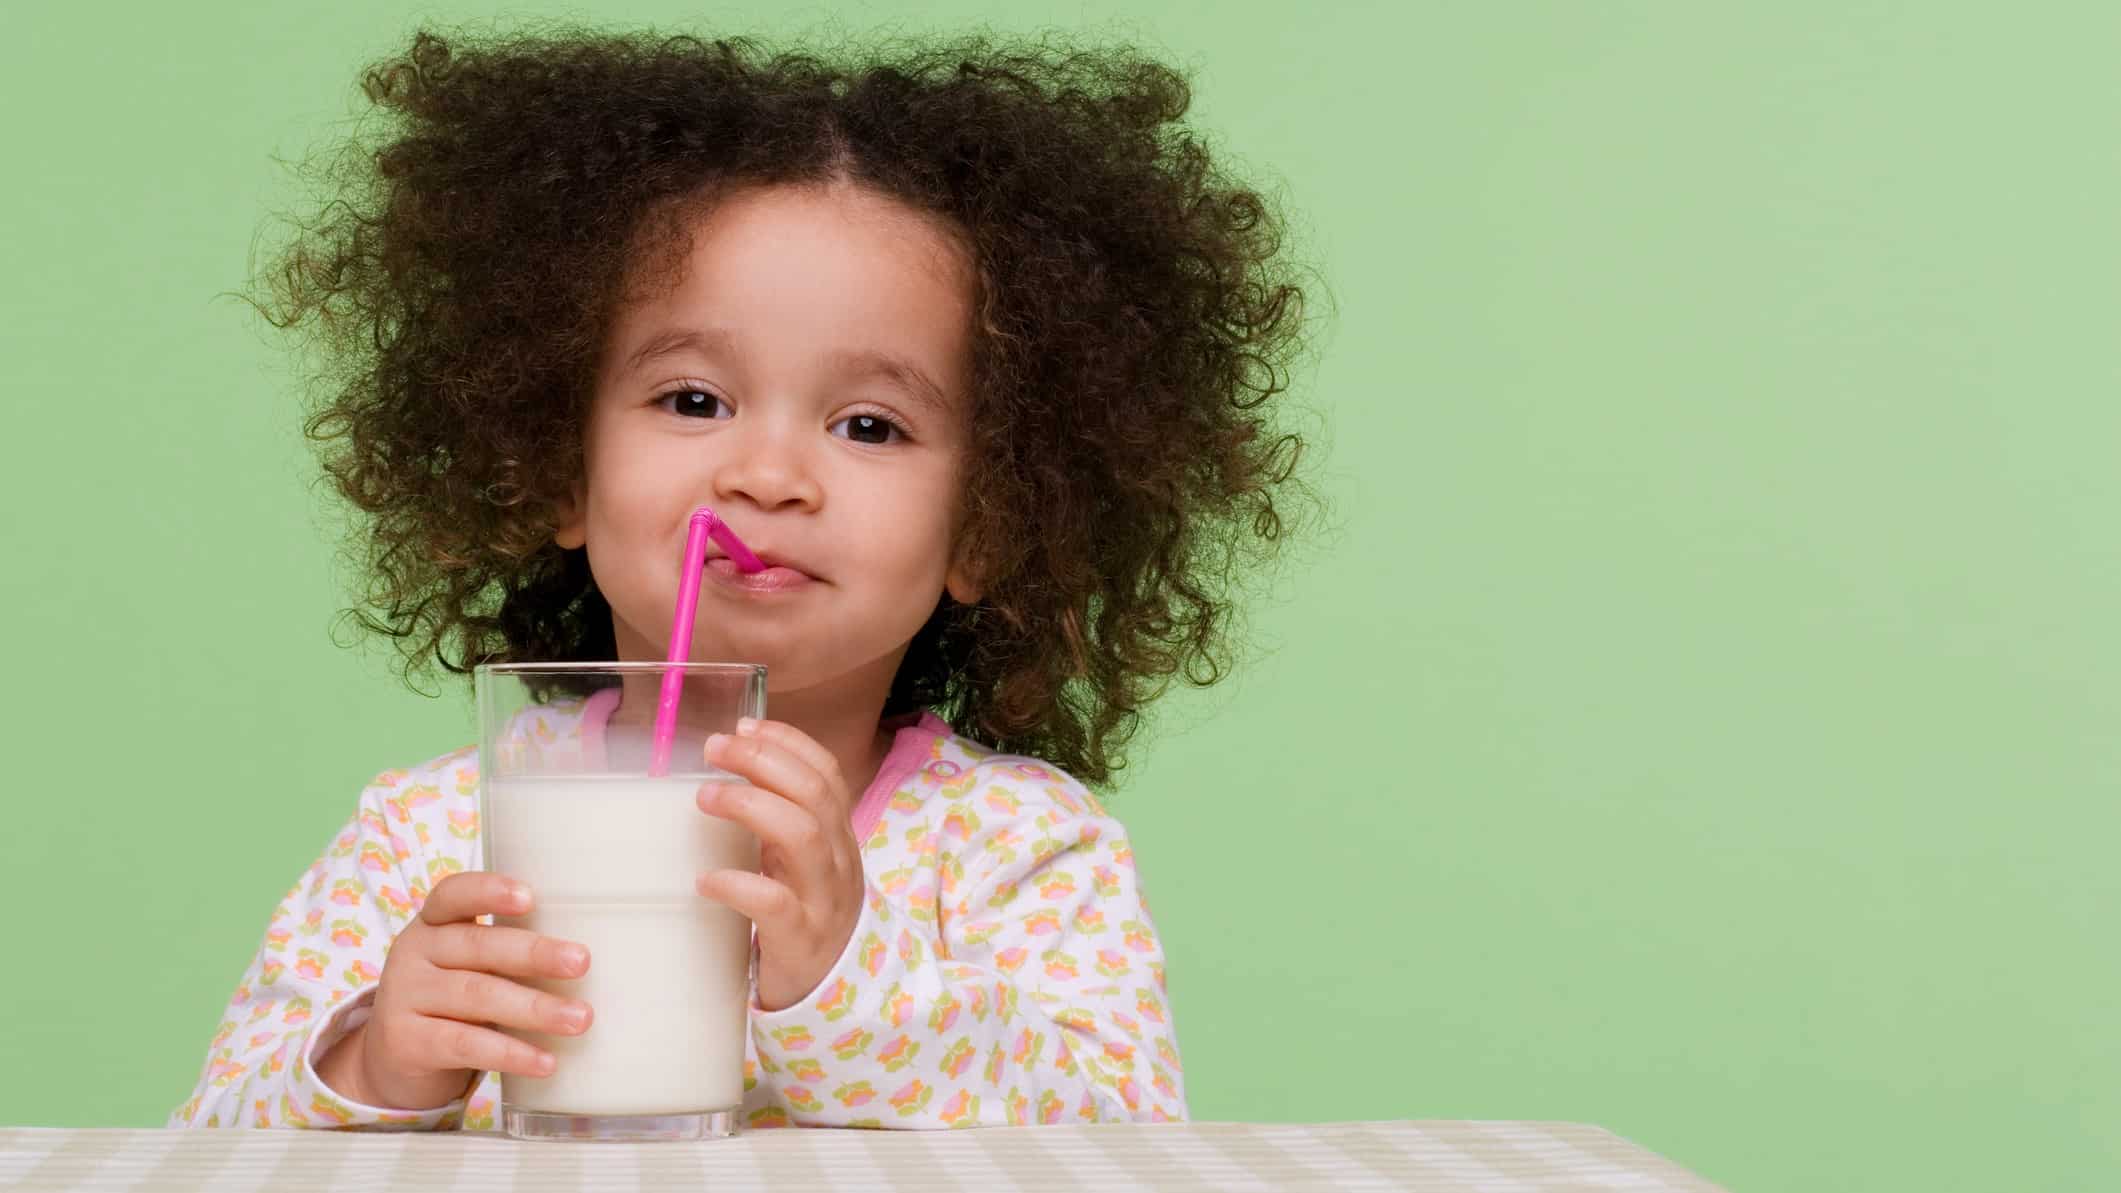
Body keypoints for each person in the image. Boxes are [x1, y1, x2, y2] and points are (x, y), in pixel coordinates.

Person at [171, 23, 1312, 1131]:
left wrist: (848, 972)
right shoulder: (431, 834)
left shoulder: (1019, 851)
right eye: (692, 400)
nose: (767, 474)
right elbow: (200, 1144)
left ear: (990, 523)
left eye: (869, 424)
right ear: (555, 470)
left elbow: (1133, 1145)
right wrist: (377, 1060)